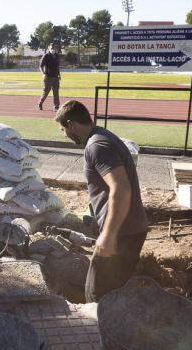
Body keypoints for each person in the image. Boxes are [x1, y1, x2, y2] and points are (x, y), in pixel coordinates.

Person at [54, 100, 148, 303]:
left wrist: (109, 234)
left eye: (63, 129)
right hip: (129, 229)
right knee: (113, 293)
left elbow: (121, 189)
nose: (64, 134)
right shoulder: (103, 136)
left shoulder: (97, 146)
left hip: (122, 233)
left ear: (71, 125)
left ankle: (98, 333)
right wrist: (100, 218)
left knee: (97, 295)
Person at [39, 43, 62, 111]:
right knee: (46, 92)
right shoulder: (46, 56)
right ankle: (40, 103)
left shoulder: (57, 56)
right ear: (49, 48)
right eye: (52, 48)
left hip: (55, 78)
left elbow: (57, 67)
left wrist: (59, 74)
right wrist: (43, 74)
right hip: (48, 77)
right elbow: (40, 66)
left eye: (54, 48)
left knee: (56, 93)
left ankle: (56, 106)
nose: (53, 49)